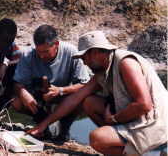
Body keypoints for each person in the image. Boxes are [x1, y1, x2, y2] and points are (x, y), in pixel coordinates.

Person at [28, 30, 168, 155]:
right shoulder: (102, 71)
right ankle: (126, 147)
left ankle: (142, 151)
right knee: (89, 102)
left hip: (155, 122)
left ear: (95, 52)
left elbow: (144, 105)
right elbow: (75, 99)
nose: (84, 63)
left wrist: (114, 119)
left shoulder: (125, 63)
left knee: (97, 138)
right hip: (135, 117)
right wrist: (43, 125)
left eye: (84, 58)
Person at [12, 24, 91, 140]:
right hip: (37, 97)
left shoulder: (71, 52)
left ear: (56, 44)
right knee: (16, 102)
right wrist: (23, 93)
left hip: (63, 96)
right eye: (39, 52)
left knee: (83, 100)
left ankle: (64, 127)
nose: (42, 56)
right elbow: (17, 83)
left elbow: (85, 84)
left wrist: (61, 90)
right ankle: (41, 122)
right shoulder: (28, 54)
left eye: (46, 51)